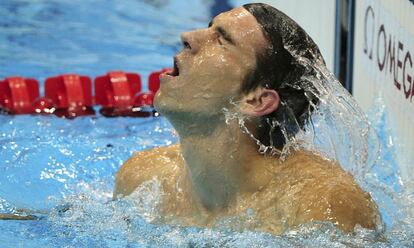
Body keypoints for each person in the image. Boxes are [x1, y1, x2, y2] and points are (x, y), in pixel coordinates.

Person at [113, 3, 380, 234]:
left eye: (222, 40)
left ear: (257, 100)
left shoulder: (321, 206)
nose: (188, 36)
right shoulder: (142, 179)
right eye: (209, 27)